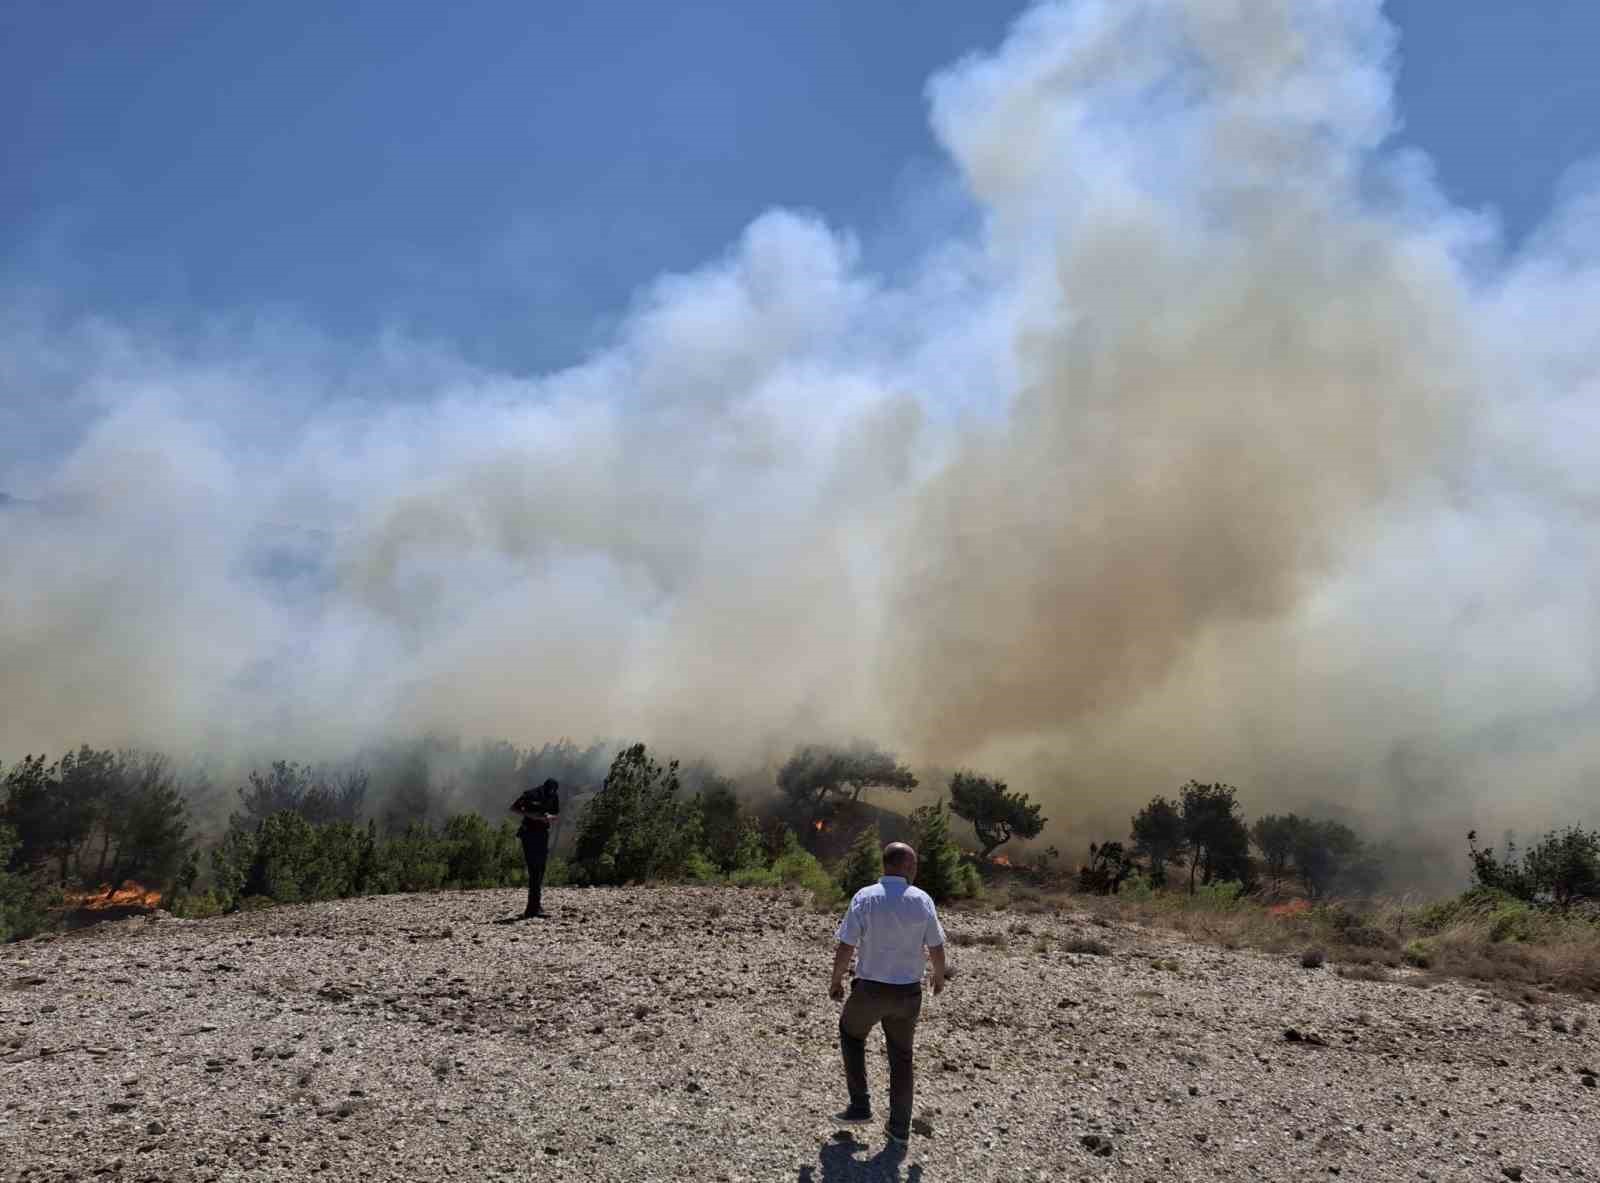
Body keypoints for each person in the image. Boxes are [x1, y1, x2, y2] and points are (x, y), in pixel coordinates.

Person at [828, 841, 947, 1145]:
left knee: (851, 1033)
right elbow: (935, 945)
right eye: (914, 864)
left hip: (870, 991)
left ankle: (860, 1105)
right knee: (902, 1058)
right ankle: (898, 1129)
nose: (916, 869)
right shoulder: (922, 900)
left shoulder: (865, 897)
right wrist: (939, 977)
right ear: (905, 866)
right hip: (908, 995)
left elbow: (846, 945)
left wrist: (837, 980)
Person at [510, 777, 560, 918]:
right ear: (543, 788)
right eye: (549, 791)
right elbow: (514, 808)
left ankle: (535, 906)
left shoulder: (553, 796)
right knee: (534, 869)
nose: (551, 794)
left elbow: (556, 813)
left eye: (553, 792)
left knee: (540, 869)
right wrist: (533, 816)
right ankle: (532, 909)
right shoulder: (531, 794)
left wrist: (549, 817)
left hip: (542, 834)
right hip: (529, 834)